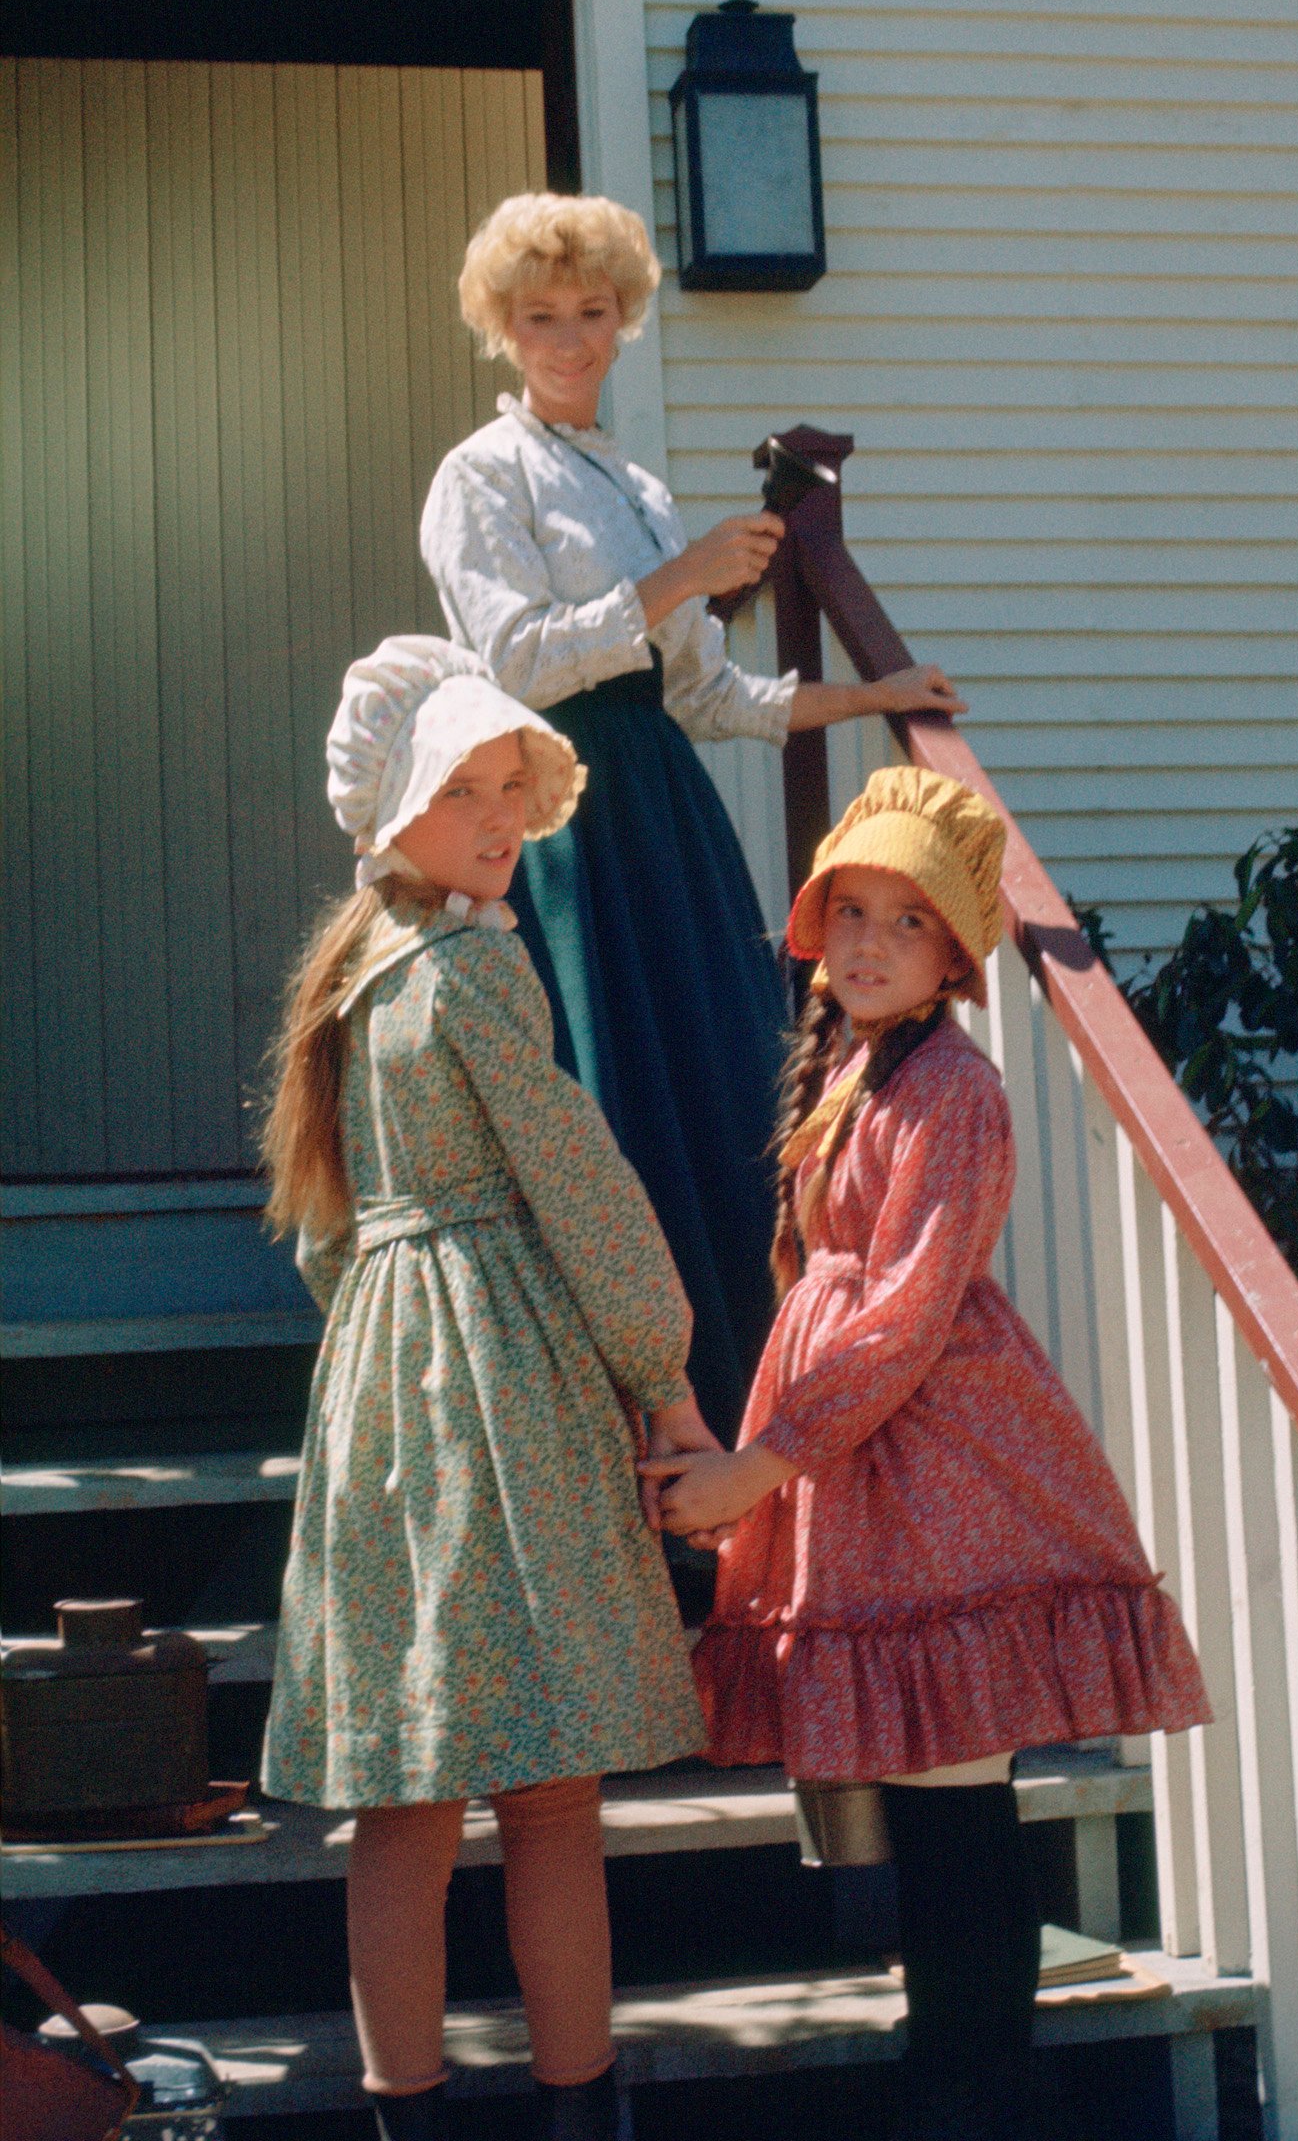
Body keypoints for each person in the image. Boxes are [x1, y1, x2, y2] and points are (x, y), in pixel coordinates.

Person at [642, 768, 1212, 2141]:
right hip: (859, 1461)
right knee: (917, 1792)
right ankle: (955, 2075)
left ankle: (976, 2091)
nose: (870, 942)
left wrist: (762, 1462)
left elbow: (901, 1320)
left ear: (955, 952)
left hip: (939, 1457)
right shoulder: (848, 1065)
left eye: (908, 920)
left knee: (956, 1803)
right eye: (853, 909)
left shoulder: (955, 1086)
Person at [259, 636, 716, 2141]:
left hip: (381, 1383)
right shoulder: (472, 964)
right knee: (545, 1797)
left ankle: (411, 2114)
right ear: (390, 807)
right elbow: (577, 1181)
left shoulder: (350, 976)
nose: (501, 813)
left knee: (398, 1799)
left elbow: (325, 1230)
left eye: (510, 784)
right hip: (498, 1380)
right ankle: (579, 2115)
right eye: (464, 789)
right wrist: (660, 1371)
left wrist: (384, 1330)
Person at [420, 191, 965, 1448]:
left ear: (624, 323)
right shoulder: (478, 477)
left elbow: (708, 696)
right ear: (504, 328)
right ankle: (624, 1450)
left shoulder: (636, 484)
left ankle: (747, 1427)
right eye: (540, 316)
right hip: (564, 816)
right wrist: (685, 573)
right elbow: (512, 661)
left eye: (592, 313)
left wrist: (869, 693)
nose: (568, 339)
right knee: (606, 1119)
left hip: (666, 816)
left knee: (728, 1101)